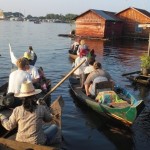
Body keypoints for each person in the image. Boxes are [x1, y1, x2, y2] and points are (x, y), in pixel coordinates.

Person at [0, 81, 58, 145]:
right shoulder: (41, 108)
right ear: (34, 95)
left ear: (21, 97)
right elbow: (48, 119)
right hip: (38, 142)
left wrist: (2, 117)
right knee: (54, 127)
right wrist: (46, 107)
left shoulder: (17, 110)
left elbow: (9, 126)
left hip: (20, 141)